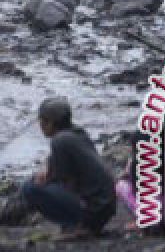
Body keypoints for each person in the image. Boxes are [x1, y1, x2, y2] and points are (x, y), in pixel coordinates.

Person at [21, 98, 116, 239]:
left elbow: (65, 181)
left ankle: (77, 225)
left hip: (93, 210)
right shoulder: (78, 133)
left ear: (50, 123)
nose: (40, 125)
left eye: (41, 121)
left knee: (29, 188)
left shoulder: (59, 141)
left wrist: (44, 180)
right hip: (106, 206)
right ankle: (79, 224)